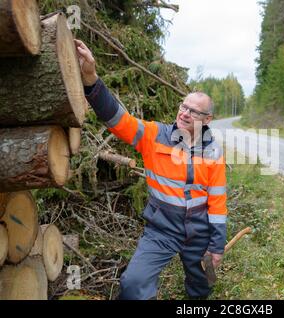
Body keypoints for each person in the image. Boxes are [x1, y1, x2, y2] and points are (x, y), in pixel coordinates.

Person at [74, 39, 227, 300]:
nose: (185, 113)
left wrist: (217, 245)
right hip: (161, 231)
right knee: (133, 284)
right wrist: (91, 78)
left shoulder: (213, 150)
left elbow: (218, 201)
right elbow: (117, 119)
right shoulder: (154, 135)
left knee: (204, 284)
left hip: (199, 233)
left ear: (207, 120)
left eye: (194, 111)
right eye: (183, 106)